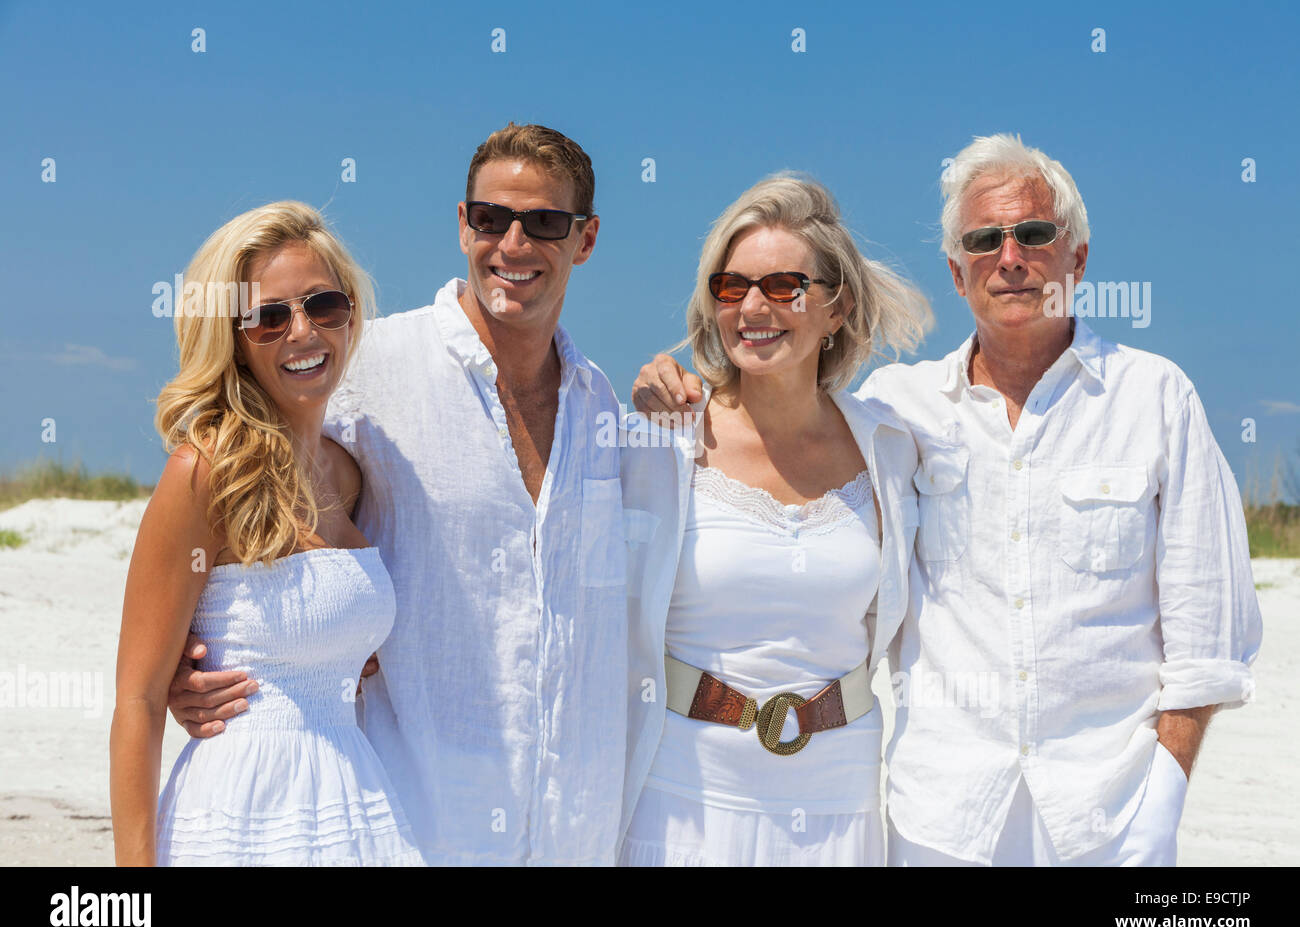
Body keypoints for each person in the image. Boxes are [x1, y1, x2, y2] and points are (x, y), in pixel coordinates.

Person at [632, 134, 1262, 866]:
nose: (1010, 256)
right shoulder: (901, 413)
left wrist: (1163, 805)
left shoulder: (1156, 400)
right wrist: (666, 394)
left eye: (1033, 234)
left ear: (1078, 257)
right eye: (983, 241)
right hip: (941, 824)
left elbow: (1208, 637)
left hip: (1109, 820)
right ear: (957, 272)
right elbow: (773, 404)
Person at [165, 124, 629, 865]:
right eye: (490, 218)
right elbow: (232, 481)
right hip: (409, 822)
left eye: (543, 222)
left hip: (574, 829)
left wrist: (697, 389)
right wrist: (185, 664)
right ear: (461, 224)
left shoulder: (605, 409)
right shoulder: (361, 364)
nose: (512, 244)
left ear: (586, 238)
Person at [618, 174, 930, 865]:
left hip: (839, 794)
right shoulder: (664, 438)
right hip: (683, 791)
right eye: (731, 288)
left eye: (784, 287)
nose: (753, 307)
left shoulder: (891, 447)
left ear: (836, 308)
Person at [111, 201, 424, 866]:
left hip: (354, 804)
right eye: (269, 317)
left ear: (351, 315)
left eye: (323, 305)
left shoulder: (349, 473)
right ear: (231, 336)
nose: (302, 332)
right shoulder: (204, 472)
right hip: (242, 813)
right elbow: (137, 700)